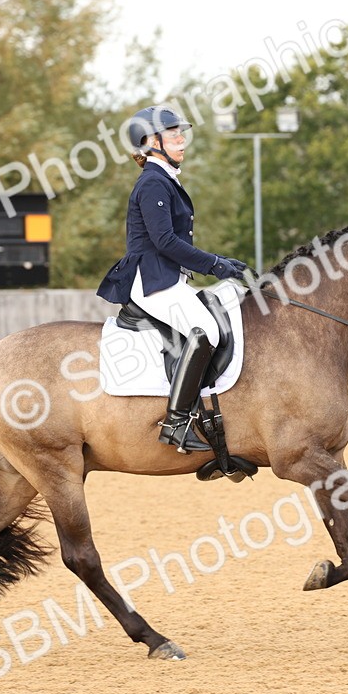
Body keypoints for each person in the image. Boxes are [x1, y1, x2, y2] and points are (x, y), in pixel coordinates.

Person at [96, 106, 248, 453]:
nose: (182, 139)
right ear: (150, 142)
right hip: (151, 280)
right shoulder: (152, 182)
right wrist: (216, 265)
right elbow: (165, 242)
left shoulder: (164, 179)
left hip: (167, 278)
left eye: (182, 133)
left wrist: (220, 264)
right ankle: (177, 422)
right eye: (174, 133)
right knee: (205, 331)